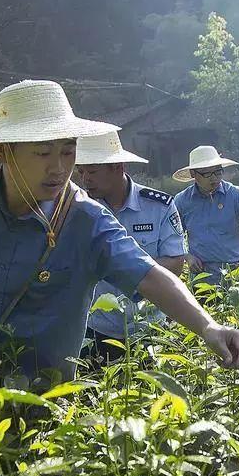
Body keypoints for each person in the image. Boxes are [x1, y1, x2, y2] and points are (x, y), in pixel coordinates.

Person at [0, 80, 239, 387]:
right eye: (43, 152)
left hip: (42, 390)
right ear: (5, 152)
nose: (60, 168)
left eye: (68, 152)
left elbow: (151, 276)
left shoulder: (86, 220)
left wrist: (208, 327)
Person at [75, 131, 185, 364]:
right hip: (96, 327)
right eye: (81, 171)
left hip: (149, 328)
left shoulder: (159, 206)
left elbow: (175, 264)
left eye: (92, 171)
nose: (85, 179)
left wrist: (124, 268)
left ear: (118, 166)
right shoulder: (80, 210)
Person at [172, 146, 239, 284]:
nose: (214, 178)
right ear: (193, 174)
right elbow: (171, 236)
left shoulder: (234, 194)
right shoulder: (182, 201)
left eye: (218, 172)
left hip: (236, 270)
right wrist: (187, 256)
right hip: (202, 274)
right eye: (207, 174)